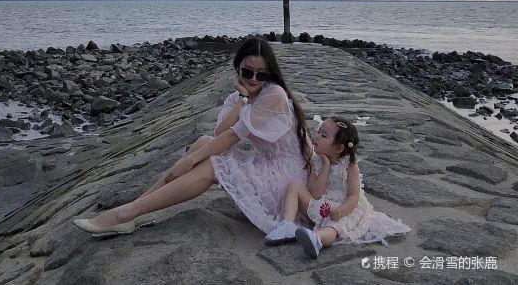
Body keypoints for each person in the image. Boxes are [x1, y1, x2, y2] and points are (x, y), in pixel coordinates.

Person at [73, 36, 311, 237]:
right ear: (238, 67)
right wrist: (243, 98)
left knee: (211, 165)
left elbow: (232, 136)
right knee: (204, 142)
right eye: (248, 72)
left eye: (262, 75)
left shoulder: (274, 94)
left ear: (270, 75)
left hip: (289, 175)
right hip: (272, 165)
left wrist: (187, 161)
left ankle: (123, 214)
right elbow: (219, 133)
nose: (254, 79)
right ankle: (131, 211)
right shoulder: (246, 96)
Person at [264, 116, 411, 258]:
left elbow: (354, 196)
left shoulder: (349, 166)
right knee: (294, 186)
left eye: (324, 135)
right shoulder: (315, 161)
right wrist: (325, 166)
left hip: (344, 208)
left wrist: (341, 211)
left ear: (339, 147)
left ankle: (317, 239)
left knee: (334, 226)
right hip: (320, 204)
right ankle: (287, 225)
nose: (317, 137)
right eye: (318, 132)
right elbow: (315, 193)